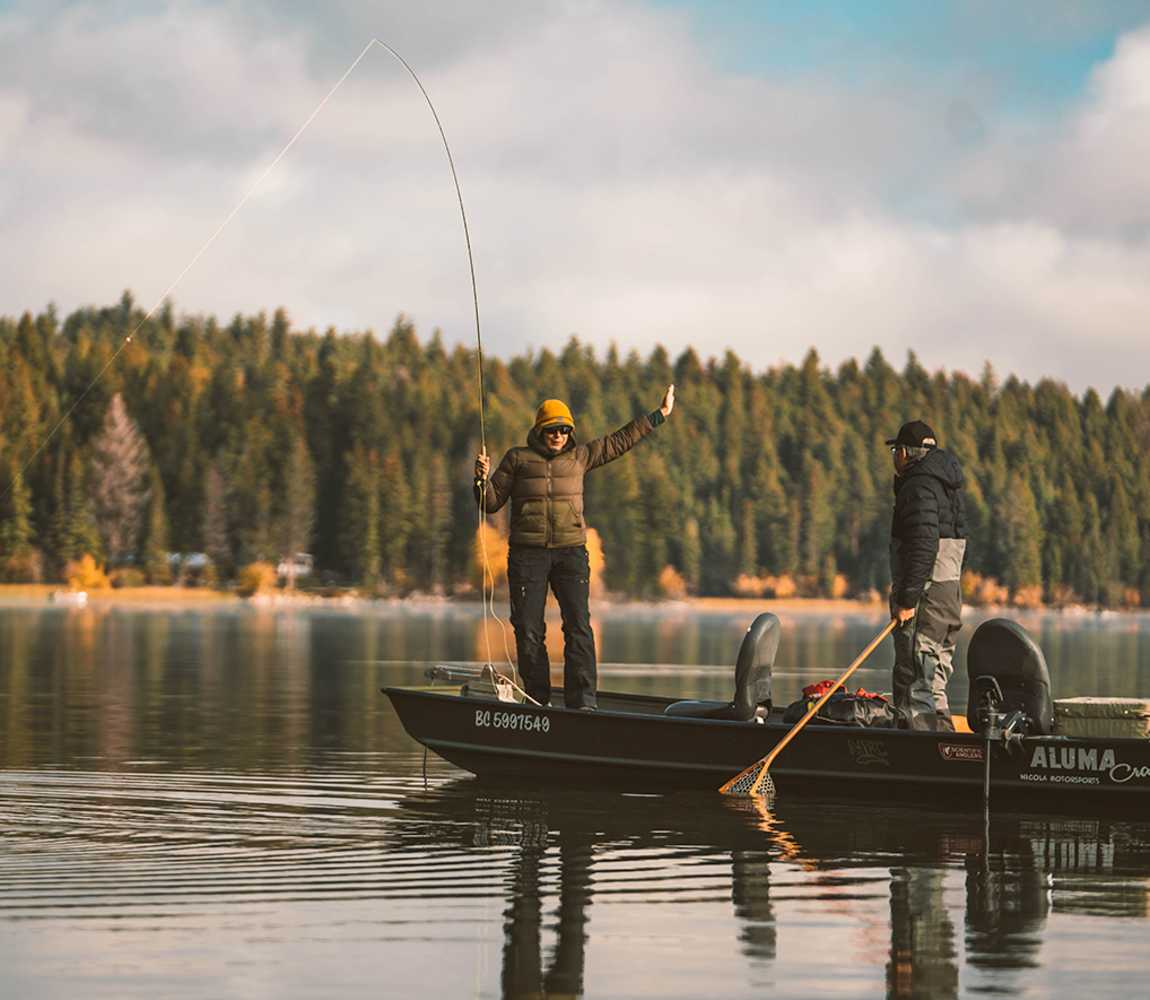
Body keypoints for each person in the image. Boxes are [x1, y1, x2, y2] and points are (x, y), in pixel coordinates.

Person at [475, 385, 675, 709]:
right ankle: (536, 701)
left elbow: (620, 440)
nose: (559, 435)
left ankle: (582, 702)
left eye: (565, 429)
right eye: (553, 429)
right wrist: (480, 480)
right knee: (528, 631)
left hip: (571, 554)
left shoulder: (581, 456)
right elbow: (490, 503)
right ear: (540, 429)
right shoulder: (517, 459)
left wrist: (659, 415)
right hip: (528, 555)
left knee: (579, 628)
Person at [885, 419, 967, 731]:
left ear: (906, 453)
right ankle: (944, 747)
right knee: (934, 676)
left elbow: (923, 545)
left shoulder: (918, 487)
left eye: (895, 450)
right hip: (948, 593)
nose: (894, 456)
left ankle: (920, 757)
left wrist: (907, 599)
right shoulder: (946, 487)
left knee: (916, 676)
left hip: (926, 597)